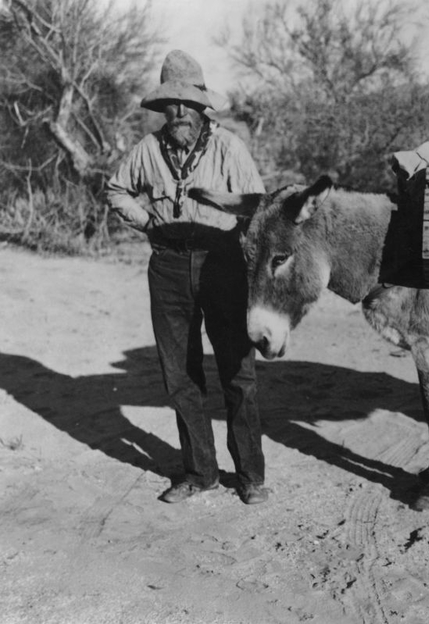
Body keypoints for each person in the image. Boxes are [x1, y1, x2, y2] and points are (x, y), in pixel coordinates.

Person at [106, 50, 269, 505]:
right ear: (162, 109)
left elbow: (256, 203)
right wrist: (147, 222)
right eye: (169, 104)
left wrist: (227, 215)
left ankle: (251, 476)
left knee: (238, 372)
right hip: (168, 267)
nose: (178, 113)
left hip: (222, 265)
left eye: (186, 103)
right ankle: (200, 472)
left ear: (201, 106)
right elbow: (116, 189)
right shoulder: (147, 150)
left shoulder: (228, 147)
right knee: (179, 375)